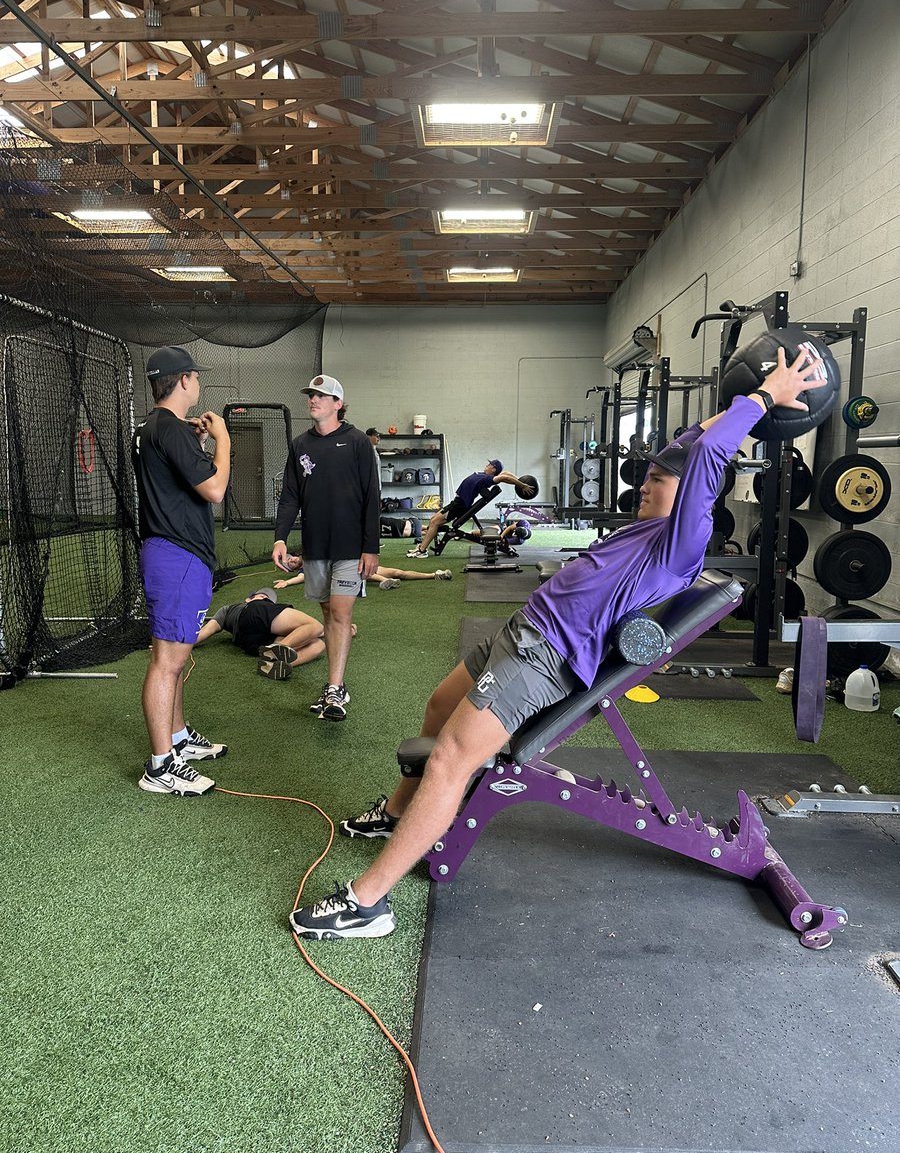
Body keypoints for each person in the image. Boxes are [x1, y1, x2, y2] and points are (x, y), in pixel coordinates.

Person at [288, 345, 830, 938]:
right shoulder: (652, 525)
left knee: (450, 758)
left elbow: (706, 457)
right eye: (648, 478)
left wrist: (763, 398)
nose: (646, 486)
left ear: (690, 498)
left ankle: (369, 902)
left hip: (545, 655)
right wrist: (726, 406)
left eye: (657, 481)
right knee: (438, 709)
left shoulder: (681, 543)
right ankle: (397, 814)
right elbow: (684, 446)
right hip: (524, 631)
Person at [132, 345, 231, 797]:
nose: (199, 384)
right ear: (185, 380)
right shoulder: (168, 430)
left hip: (171, 553)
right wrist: (224, 439)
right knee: (167, 662)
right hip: (177, 556)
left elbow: (180, 477)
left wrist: (197, 443)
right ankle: (160, 766)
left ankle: (176, 739)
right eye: (197, 377)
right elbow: (213, 488)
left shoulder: (155, 428)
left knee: (175, 659)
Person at [272, 373, 380, 720]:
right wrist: (280, 537)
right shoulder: (301, 444)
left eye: (321, 396)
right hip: (315, 548)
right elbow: (290, 497)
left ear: (338, 404)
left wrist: (371, 547)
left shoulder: (358, 442)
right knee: (328, 615)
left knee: (340, 613)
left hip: (351, 548)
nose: (313, 400)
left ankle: (334, 689)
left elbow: (371, 499)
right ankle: (337, 685)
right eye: (310, 395)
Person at [407, 459, 537, 557]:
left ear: (493, 469)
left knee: (435, 522)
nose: (486, 466)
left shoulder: (488, 479)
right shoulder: (484, 475)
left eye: (489, 465)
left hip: (460, 505)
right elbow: (506, 473)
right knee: (433, 519)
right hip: (456, 502)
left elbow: (504, 477)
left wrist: (522, 485)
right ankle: (422, 546)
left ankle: (422, 551)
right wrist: (519, 480)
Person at [195, 587, 328, 681]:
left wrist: (180, 646)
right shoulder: (236, 607)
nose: (267, 598)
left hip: (250, 643)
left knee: (319, 644)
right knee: (315, 625)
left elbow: (204, 633)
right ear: (248, 599)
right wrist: (341, 631)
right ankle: (282, 646)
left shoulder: (225, 612)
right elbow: (317, 629)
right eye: (263, 596)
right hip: (255, 613)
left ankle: (273, 666)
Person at [274, 566, 453, 592]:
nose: (291, 561)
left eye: (291, 558)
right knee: (360, 571)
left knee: (398, 572)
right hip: (352, 572)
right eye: (290, 563)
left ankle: (434, 575)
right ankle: (384, 580)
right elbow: (302, 577)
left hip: (358, 561)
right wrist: (287, 582)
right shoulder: (310, 565)